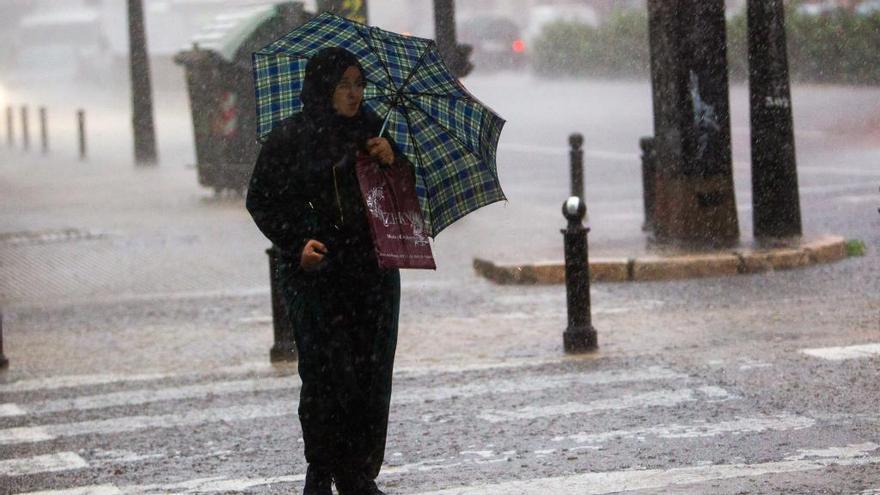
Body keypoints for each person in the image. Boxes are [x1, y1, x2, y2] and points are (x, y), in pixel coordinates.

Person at [246, 47, 405, 495]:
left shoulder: (376, 131)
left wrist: (392, 160)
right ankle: (321, 468)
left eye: (359, 84)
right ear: (323, 87)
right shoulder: (290, 137)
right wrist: (297, 243)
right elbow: (261, 200)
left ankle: (357, 471)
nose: (354, 94)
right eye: (344, 85)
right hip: (316, 275)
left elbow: (401, 202)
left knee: (369, 373)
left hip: (371, 274)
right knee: (324, 373)